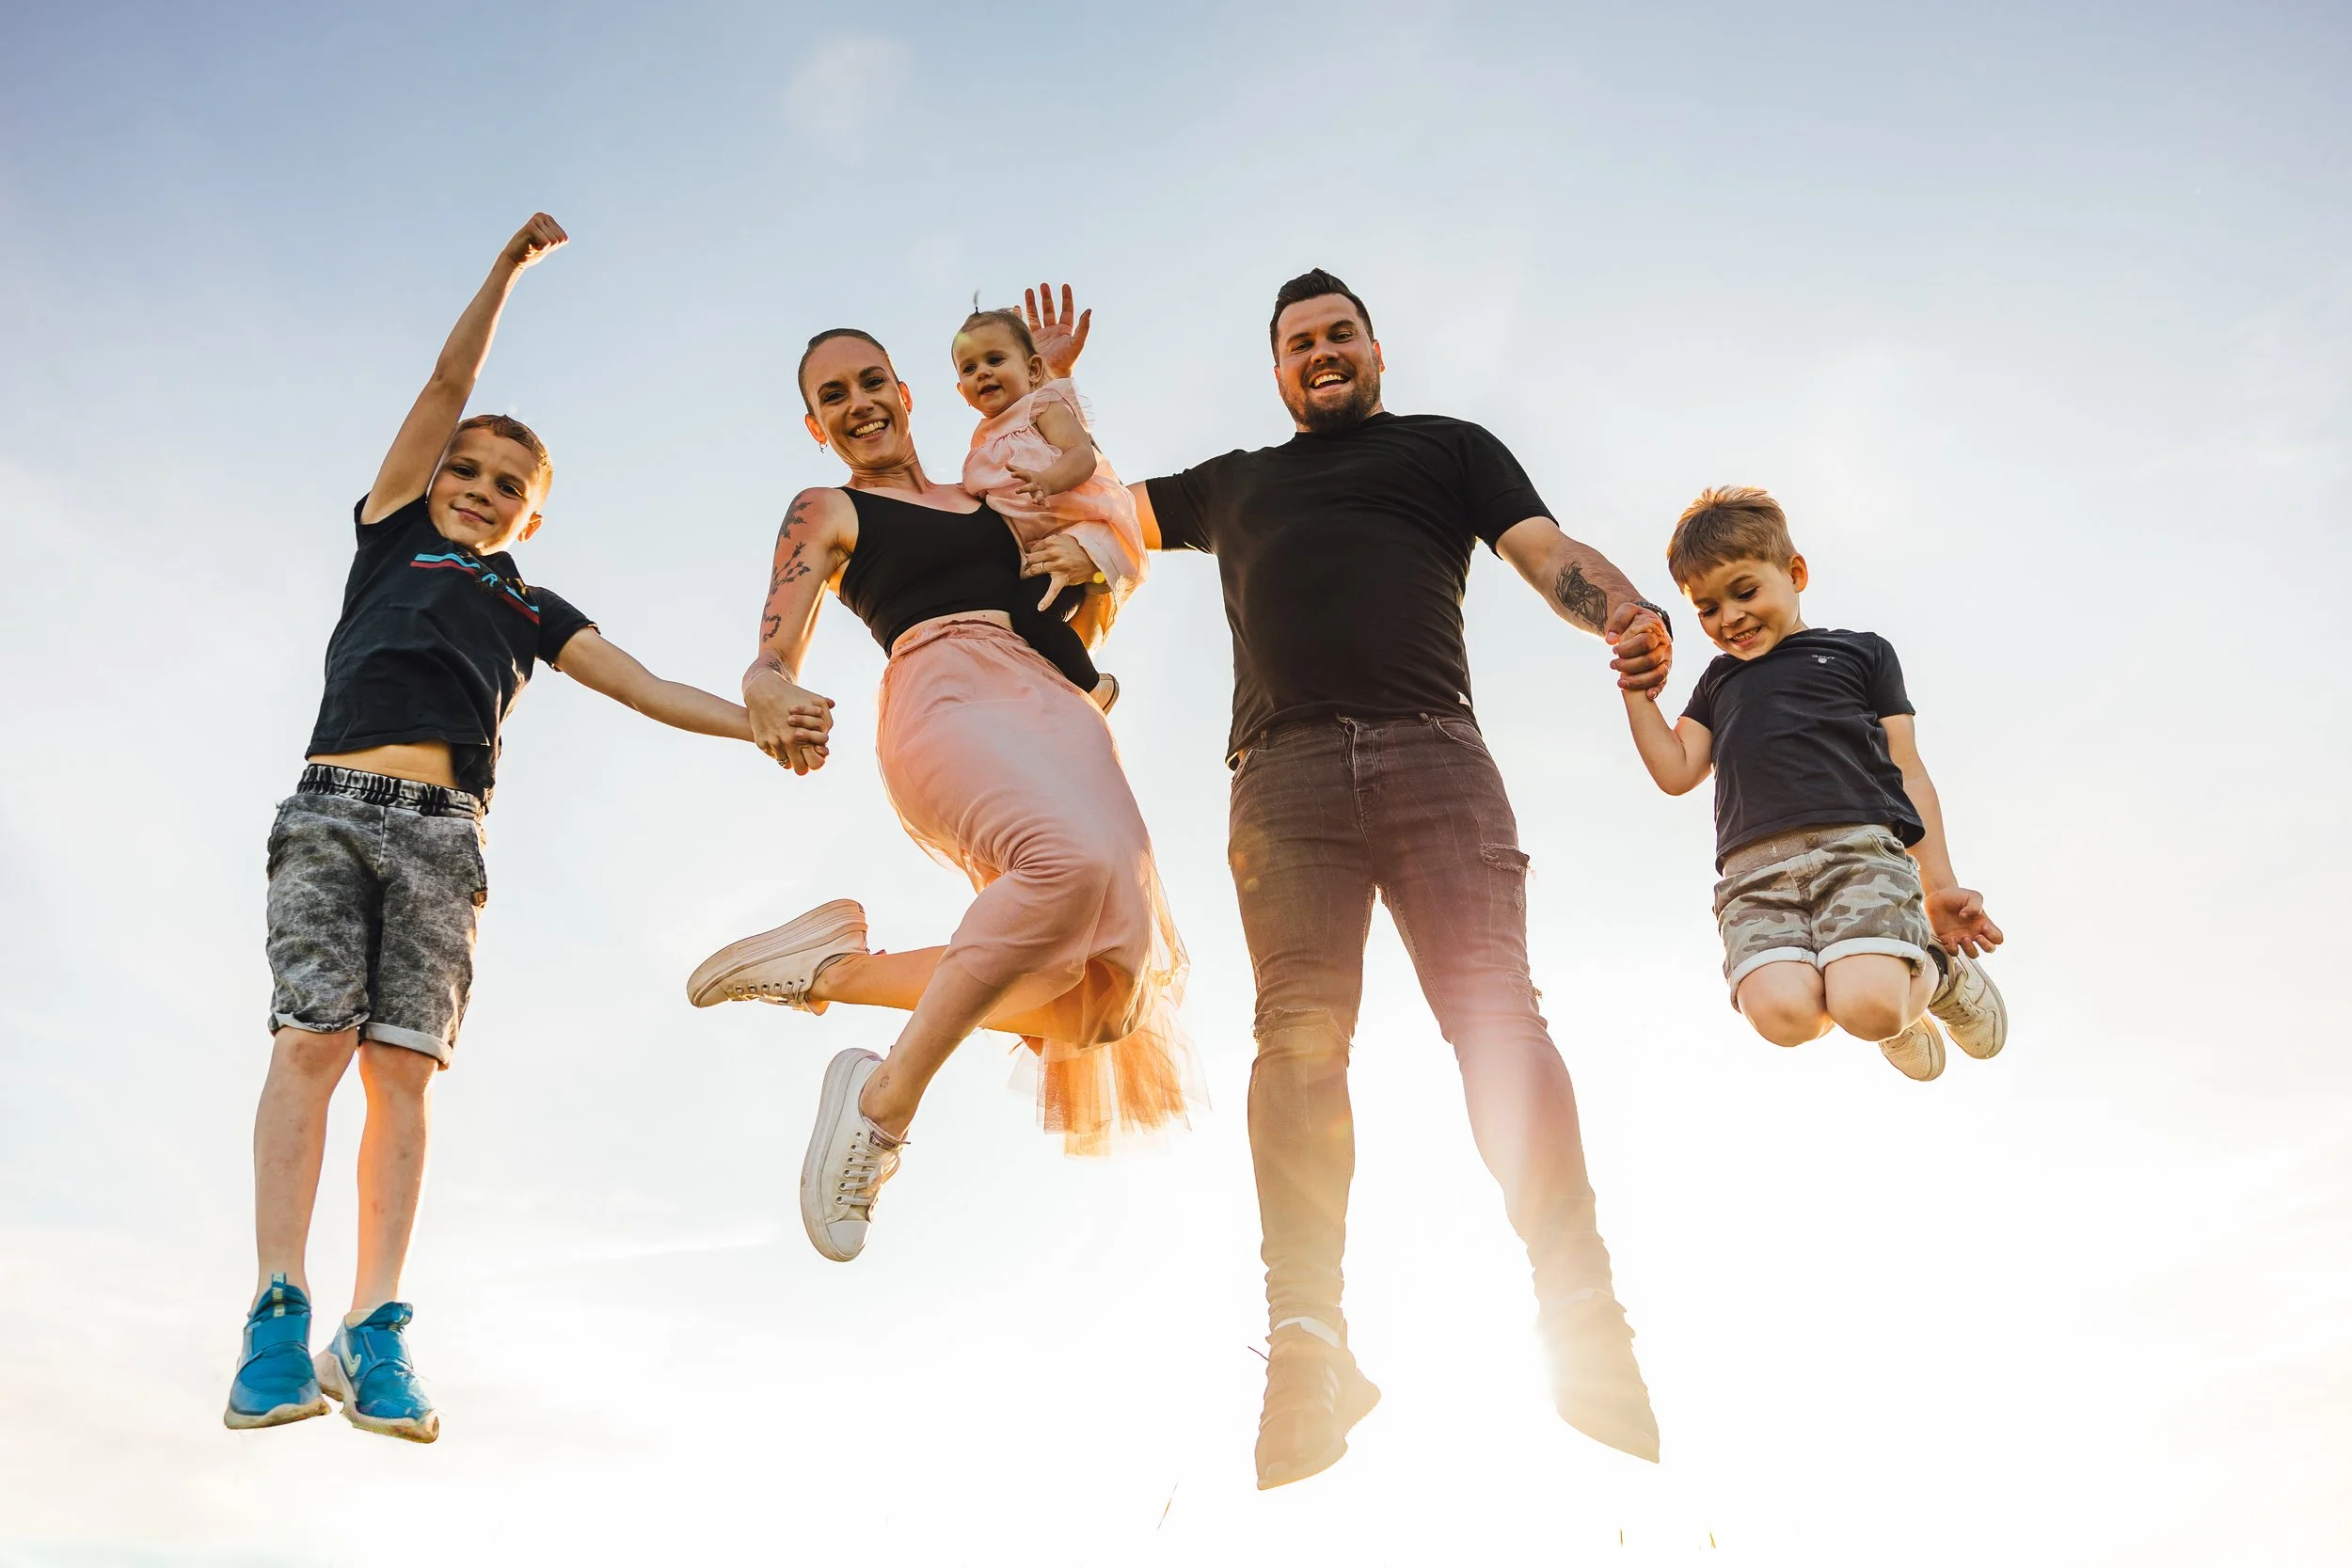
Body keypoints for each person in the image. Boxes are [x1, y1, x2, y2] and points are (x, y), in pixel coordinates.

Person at [1024, 272, 1675, 1483]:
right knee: (1298, 1042)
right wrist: (1052, 387)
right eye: (1296, 342)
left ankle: (1579, 1301)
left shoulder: (1447, 451)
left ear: (1375, 350)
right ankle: (1308, 1343)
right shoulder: (1235, 483)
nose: (1319, 352)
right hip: (1284, 782)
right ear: (1276, 369)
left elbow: (1545, 552)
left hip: (1435, 753)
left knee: (1495, 1018)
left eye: (1338, 335)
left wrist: (1621, 609)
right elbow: (1086, 496)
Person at [227, 215, 765, 1444]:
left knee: (404, 1071)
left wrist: (755, 727)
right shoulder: (393, 536)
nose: (478, 488)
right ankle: (275, 1310)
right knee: (314, 1042)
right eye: (465, 469)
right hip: (332, 810)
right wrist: (509, 272)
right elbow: (445, 384)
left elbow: (643, 683)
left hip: (445, 835)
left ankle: (376, 1326)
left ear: (532, 513)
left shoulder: (526, 601)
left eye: (506, 483)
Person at [685, 323, 1191, 1269]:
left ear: (907, 392)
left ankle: (830, 970)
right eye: (833, 396)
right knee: (1067, 864)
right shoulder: (826, 506)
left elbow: (1100, 509)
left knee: (1102, 996)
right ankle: (882, 1106)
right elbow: (777, 636)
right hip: (941, 692)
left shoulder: (993, 494)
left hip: (1057, 710)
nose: (858, 402)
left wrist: (1056, 398)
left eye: (871, 381)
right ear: (816, 425)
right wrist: (766, 679)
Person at [1619, 485, 2007, 1081]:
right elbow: (1676, 771)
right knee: (1782, 1018)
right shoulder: (1717, 684)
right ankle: (1891, 994)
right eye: (1708, 608)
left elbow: (1906, 769)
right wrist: (1637, 691)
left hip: (1856, 855)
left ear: (1794, 572)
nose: (1730, 618)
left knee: (1868, 1006)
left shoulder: (1860, 654)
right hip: (1756, 875)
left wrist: (1940, 888)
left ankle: (1933, 978)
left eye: (1744, 592)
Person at [951, 305, 1147, 711]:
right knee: (1008, 622)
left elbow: (1082, 456)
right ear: (961, 391)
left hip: (1075, 539)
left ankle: (1094, 688)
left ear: (1034, 369)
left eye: (995, 359)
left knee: (1032, 615)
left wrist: (1048, 480)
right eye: (969, 369)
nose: (982, 372)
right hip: (1031, 556)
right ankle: (1041, 695)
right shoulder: (978, 450)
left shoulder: (1043, 408)